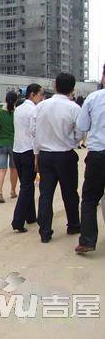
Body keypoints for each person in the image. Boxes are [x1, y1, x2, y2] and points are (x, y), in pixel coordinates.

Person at [33, 73, 84, 243]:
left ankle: (45, 231)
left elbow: (33, 130)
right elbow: (80, 132)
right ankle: (74, 224)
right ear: (72, 88)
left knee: (46, 194)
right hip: (65, 155)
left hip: (45, 155)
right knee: (69, 192)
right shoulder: (74, 108)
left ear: (55, 86)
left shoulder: (41, 106)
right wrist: (72, 140)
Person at [74, 85, 105, 253]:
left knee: (90, 199)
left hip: (98, 154)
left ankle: (87, 241)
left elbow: (82, 125)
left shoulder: (94, 98)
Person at [11, 84, 44, 233]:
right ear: (32, 94)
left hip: (17, 150)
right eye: (40, 94)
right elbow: (35, 133)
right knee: (27, 186)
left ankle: (30, 216)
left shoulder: (18, 109)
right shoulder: (34, 110)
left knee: (26, 184)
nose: (42, 97)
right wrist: (37, 154)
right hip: (28, 151)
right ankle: (17, 221)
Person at [0, 91, 19, 204]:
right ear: (16, 100)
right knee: (13, 169)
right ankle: (13, 191)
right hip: (14, 144)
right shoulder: (17, 112)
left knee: (1, 169)